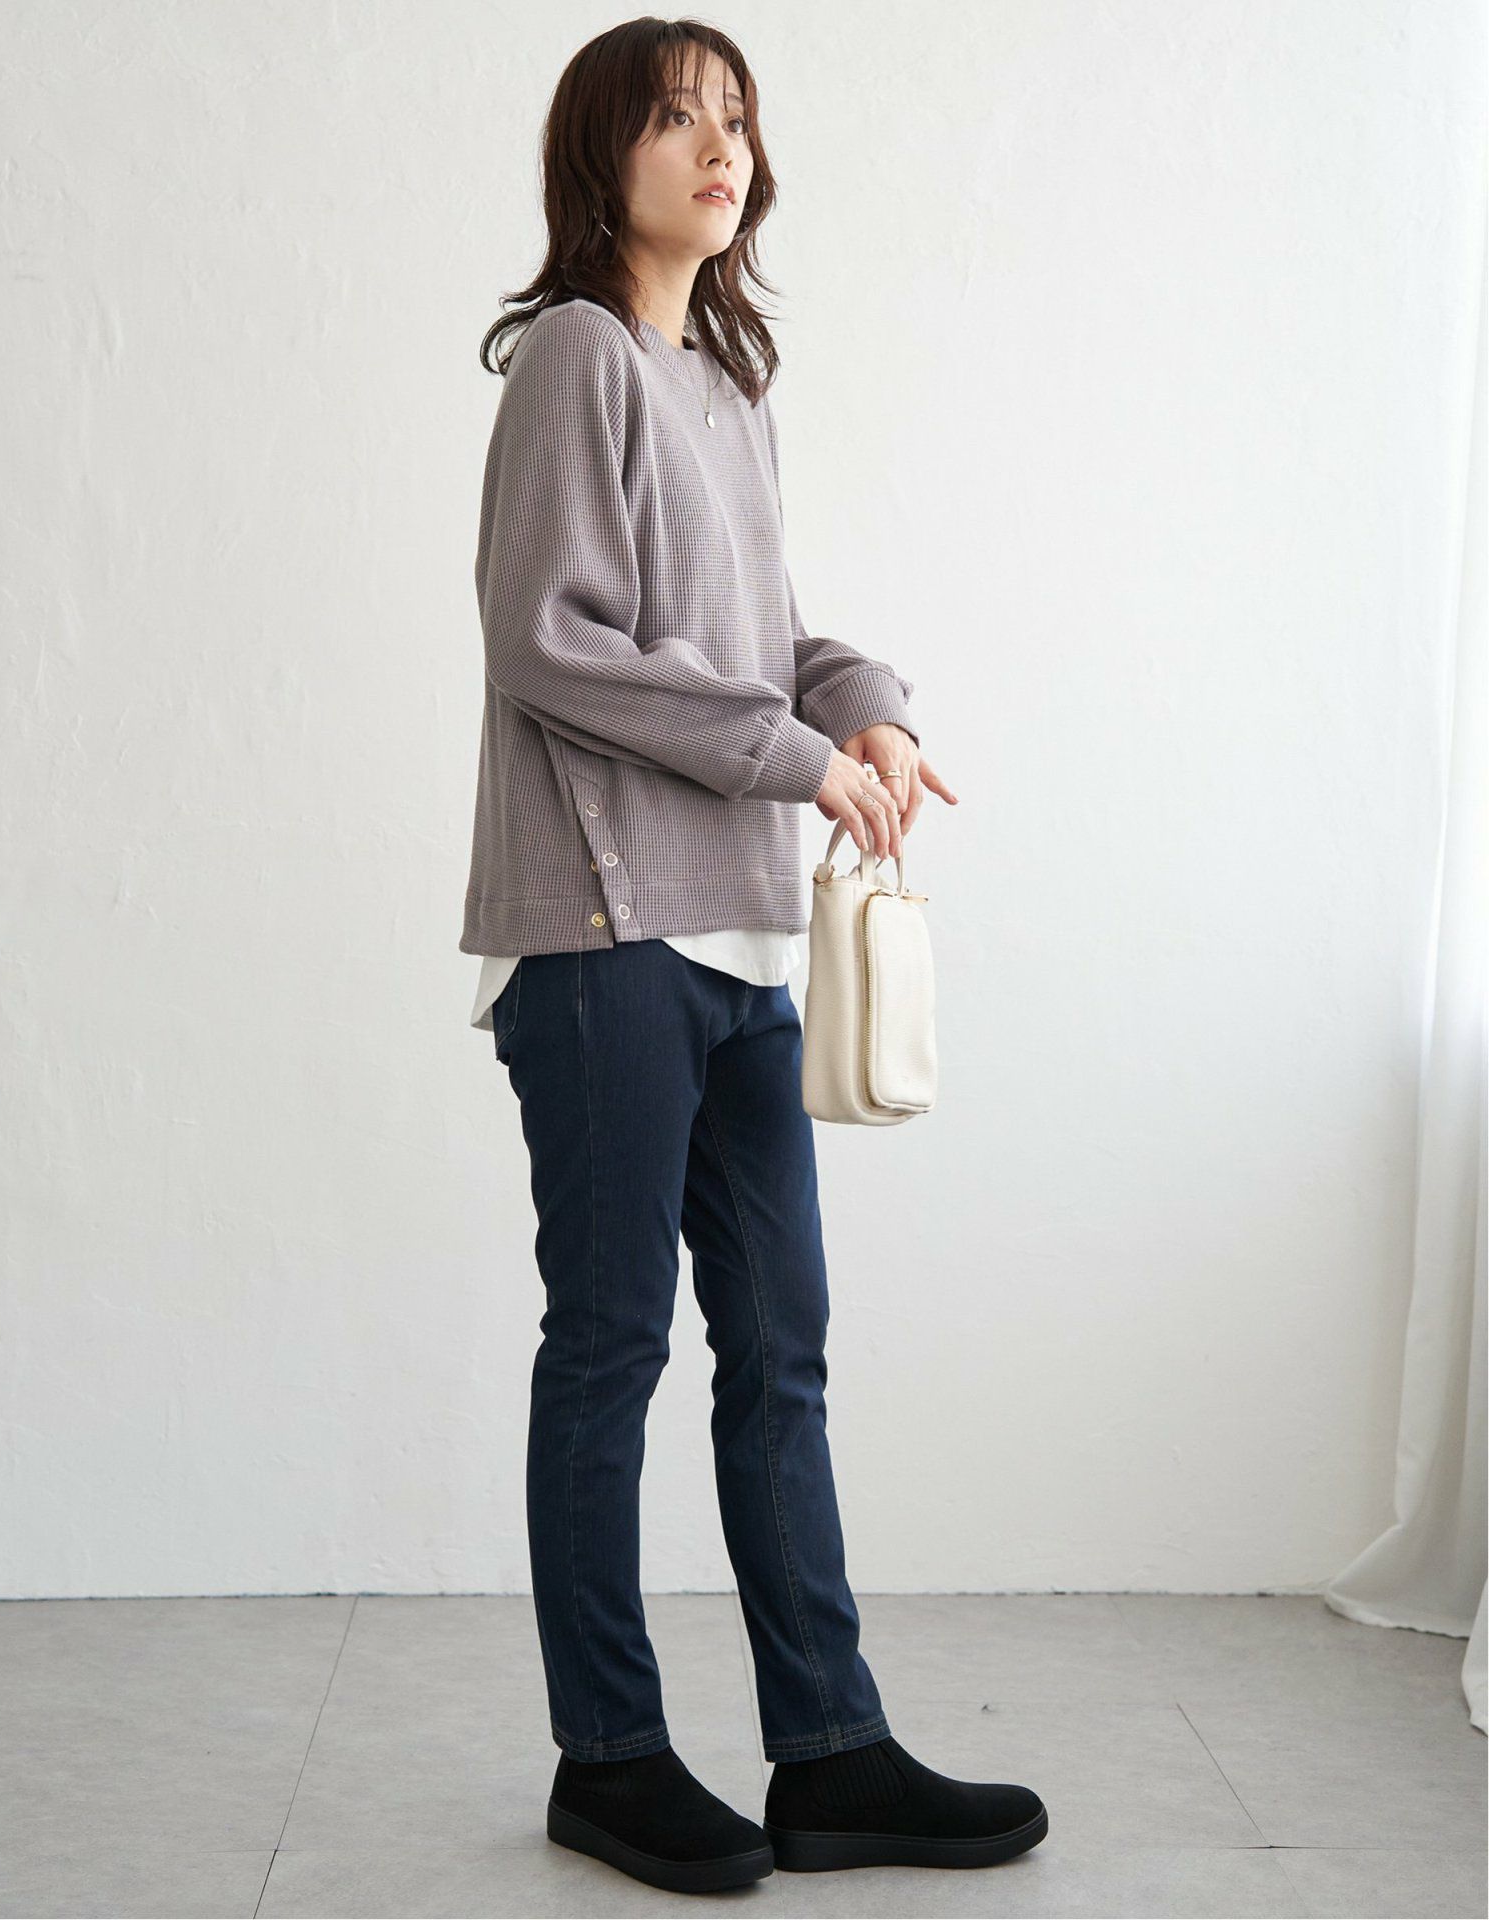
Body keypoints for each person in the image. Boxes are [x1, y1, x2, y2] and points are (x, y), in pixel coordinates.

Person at [458, 17, 1047, 1896]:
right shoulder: (578, 357)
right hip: (604, 932)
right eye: (677, 117)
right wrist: (796, 758)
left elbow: (765, 645)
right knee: (612, 1344)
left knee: (780, 1347)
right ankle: (611, 1757)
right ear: (602, 156)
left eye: (736, 117)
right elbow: (553, 643)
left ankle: (832, 1751)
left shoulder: (724, 386)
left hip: (735, 934)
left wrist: (867, 708)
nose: (720, 145)